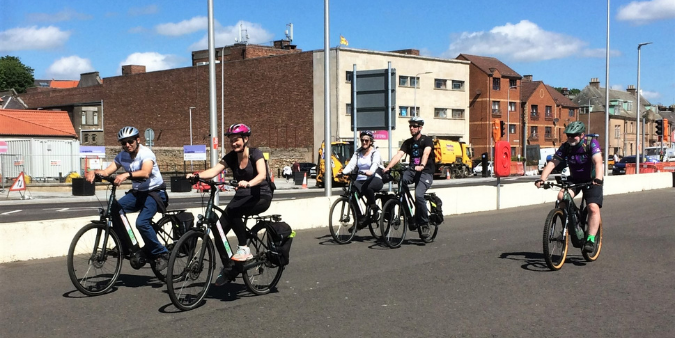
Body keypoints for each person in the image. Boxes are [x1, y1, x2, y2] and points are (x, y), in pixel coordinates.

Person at [186, 123, 273, 285]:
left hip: (260, 195)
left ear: (245, 139)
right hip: (242, 197)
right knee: (218, 230)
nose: (234, 143)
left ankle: (244, 248)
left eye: (237, 140)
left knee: (234, 212)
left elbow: (262, 175)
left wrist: (249, 183)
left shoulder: (256, 154)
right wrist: (196, 176)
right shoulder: (232, 156)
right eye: (231, 140)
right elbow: (213, 171)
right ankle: (230, 268)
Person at [85, 126, 169, 270]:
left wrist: (126, 174)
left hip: (155, 193)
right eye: (123, 143)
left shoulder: (146, 153)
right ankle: (124, 246)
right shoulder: (122, 155)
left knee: (141, 223)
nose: (127, 145)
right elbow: (106, 171)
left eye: (130, 141)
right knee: (113, 210)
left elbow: (146, 172)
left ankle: (161, 253)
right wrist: (93, 172)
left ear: (138, 140)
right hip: (138, 193)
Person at [535, 121, 603, 253]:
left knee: (592, 207)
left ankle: (590, 239)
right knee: (561, 196)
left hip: (592, 180)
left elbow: (597, 161)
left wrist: (598, 178)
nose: (571, 138)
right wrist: (542, 179)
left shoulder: (591, 143)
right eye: (569, 135)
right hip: (575, 180)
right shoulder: (566, 147)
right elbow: (553, 163)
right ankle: (572, 219)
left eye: (574, 135)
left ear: (582, 135)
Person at [383, 117, 435, 237]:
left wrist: (422, 165)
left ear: (420, 128)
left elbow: (426, 153)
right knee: (401, 185)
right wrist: (388, 167)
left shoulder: (426, 140)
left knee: (418, 195)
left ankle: (424, 223)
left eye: (414, 126)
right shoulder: (408, 142)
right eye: (410, 126)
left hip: (425, 172)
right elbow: (399, 155)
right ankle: (409, 216)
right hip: (412, 171)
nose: (412, 128)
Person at [339, 130, 384, 229]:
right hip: (361, 179)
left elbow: (375, 164)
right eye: (362, 140)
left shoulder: (375, 152)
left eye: (366, 140)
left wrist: (371, 171)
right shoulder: (358, 152)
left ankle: (374, 208)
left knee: (368, 188)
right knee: (351, 193)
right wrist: (342, 172)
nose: (364, 142)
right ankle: (360, 219)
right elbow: (351, 165)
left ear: (371, 141)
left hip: (374, 177)